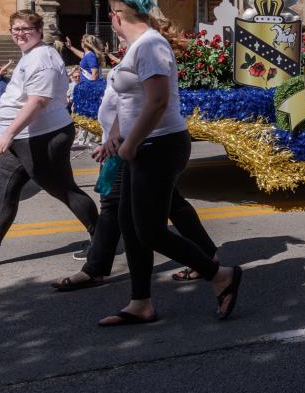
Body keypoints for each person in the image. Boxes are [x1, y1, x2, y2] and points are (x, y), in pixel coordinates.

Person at [97, 0, 240, 325]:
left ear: (116, 17)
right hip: (142, 145)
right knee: (130, 227)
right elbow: (130, 98)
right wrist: (117, 133)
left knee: (150, 230)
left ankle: (220, 276)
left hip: (159, 146)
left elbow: (158, 101)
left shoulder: (150, 46)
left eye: (110, 17)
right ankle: (140, 302)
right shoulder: (137, 48)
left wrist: (131, 143)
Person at [52, 61, 219, 291]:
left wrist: (119, 140)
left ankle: (97, 270)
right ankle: (207, 257)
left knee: (118, 209)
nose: (116, 30)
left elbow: (145, 104)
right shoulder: (132, 55)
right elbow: (125, 104)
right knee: (171, 204)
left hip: (132, 144)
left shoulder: (147, 53)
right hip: (119, 142)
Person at [0, 11, 98, 269]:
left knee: (63, 190)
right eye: (15, 29)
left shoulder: (42, 58)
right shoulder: (31, 54)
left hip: (43, 138)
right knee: (4, 192)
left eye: (26, 28)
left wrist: (7, 134)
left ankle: (101, 238)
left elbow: (38, 101)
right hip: (22, 139)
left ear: (39, 31)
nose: (20, 33)